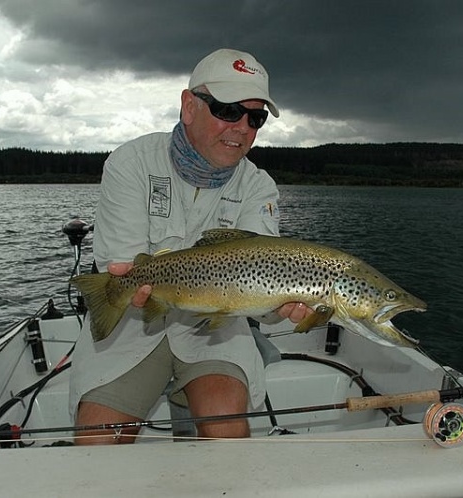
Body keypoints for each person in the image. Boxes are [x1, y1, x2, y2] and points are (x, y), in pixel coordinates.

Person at [69, 48, 312, 445]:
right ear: (188, 106)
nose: (241, 128)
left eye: (256, 118)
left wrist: (281, 308)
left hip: (215, 328)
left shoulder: (259, 188)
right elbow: (124, 268)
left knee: (228, 433)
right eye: (227, 110)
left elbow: (264, 291)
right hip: (132, 325)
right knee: (98, 441)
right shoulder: (130, 163)